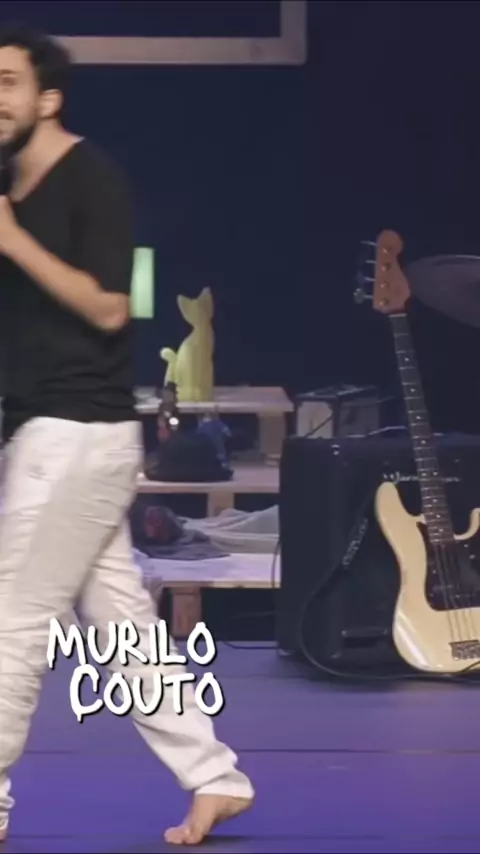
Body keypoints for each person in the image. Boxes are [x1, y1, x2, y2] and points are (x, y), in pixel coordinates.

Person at [0, 25, 254, 846]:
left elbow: (111, 307)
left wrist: (12, 241)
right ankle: (215, 778)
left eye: (6, 83)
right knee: (124, 632)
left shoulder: (90, 180)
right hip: (50, 434)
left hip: (75, 435)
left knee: (13, 620)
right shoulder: (11, 188)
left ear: (48, 98)